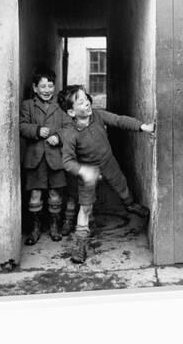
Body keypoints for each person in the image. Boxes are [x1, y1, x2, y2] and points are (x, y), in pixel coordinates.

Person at [58, 84, 155, 263]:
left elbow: (119, 120)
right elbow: (67, 162)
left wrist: (142, 127)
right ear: (71, 112)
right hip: (88, 169)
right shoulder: (70, 134)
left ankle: (130, 204)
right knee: (85, 207)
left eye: (86, 98)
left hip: (108, 161)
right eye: (80, 102)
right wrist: (83, 170)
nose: (86, 103)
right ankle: (80, 244)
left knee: (122, 185)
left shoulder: (98, 115)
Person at [19, 66, 73, 245]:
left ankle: (54, 227)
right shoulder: (28, 105)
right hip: (35, 159)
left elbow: (69, 128)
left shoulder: (61, 106)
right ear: (35, 88)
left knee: (55, 195)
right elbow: (21, 126)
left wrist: (58, 137)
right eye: (42, 87)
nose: (47, 90)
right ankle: (34, 230)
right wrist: (36, 130)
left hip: (55, 158)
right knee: (35, 195)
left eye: (50, 86)